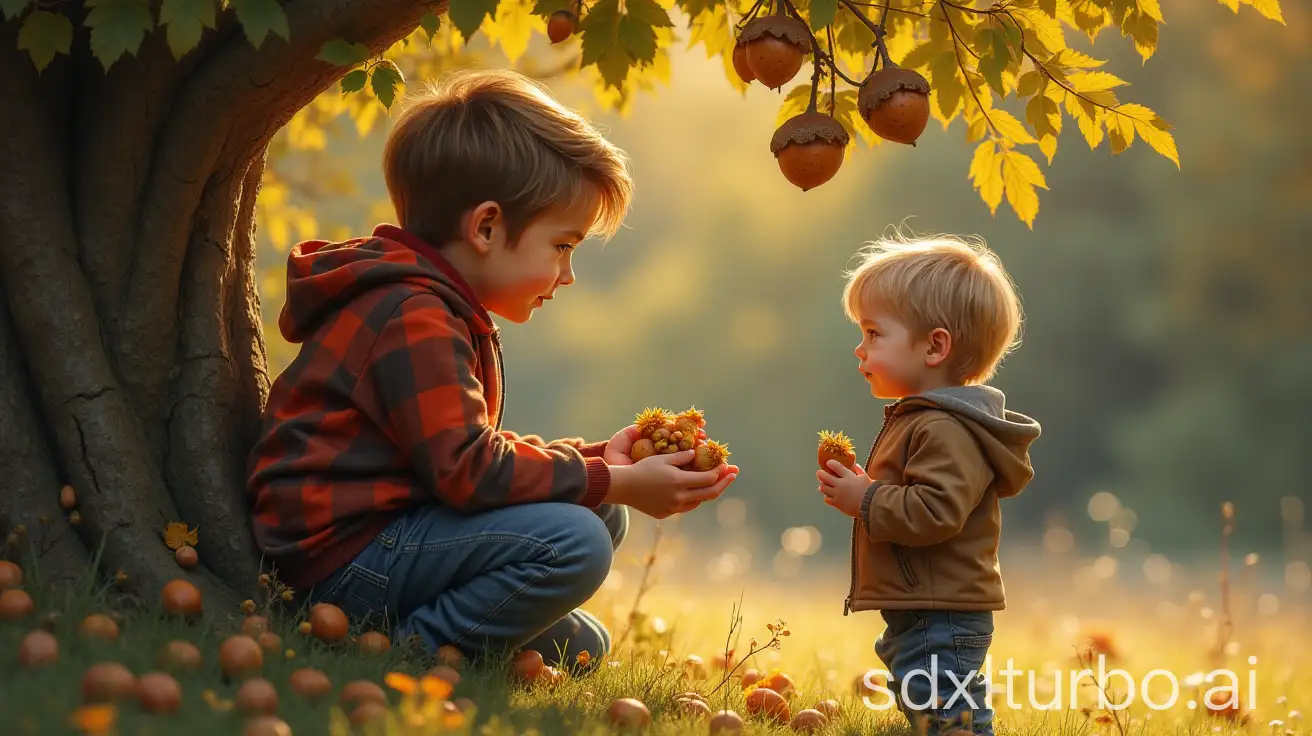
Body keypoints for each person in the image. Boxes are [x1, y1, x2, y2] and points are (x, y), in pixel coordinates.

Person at [246, 69, 738, 668]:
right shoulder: (413, 314)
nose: (568, 274)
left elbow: (463, 455)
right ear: (485, 226)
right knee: (579, 540)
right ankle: (405, 655)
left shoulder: (430, 303)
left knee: (592, 577)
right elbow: (468, 469)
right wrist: (618, 480)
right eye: (562, 246)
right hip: (346, 560)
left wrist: (596, 462)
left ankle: (441, 631)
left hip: (394, 533)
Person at [817, 233, 1041, 735]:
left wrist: (866, 498)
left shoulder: (945, 427)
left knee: (949, 712)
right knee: (928, 702)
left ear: (935, 346)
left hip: (942, 609)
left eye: (874, 333)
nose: (860, 348)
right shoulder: (925, 420)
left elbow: (936, 511)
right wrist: (868, 490)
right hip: (927, 605)